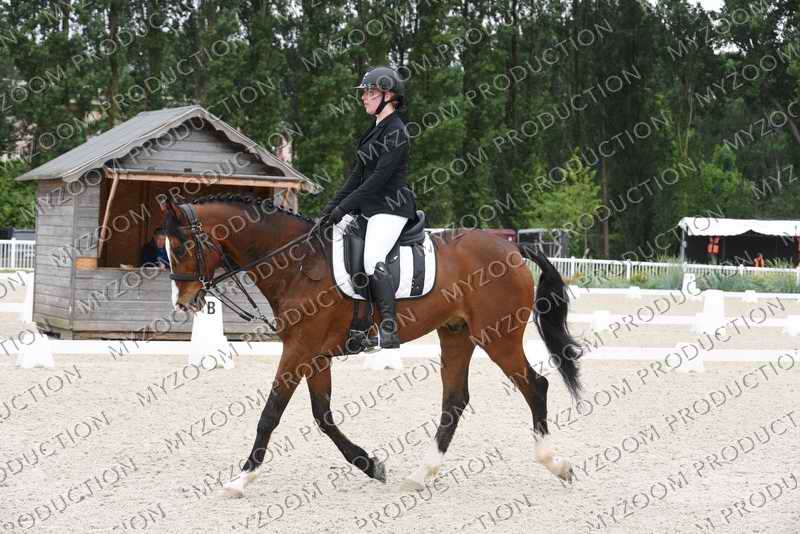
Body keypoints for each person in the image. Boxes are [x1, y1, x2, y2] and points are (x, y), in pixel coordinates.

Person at [319, 66, 417, 349]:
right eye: (364, 92)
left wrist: (344, 209)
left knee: (373, 257)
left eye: (370, 92)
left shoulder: (397, 132)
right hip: (370, 208)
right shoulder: (374, 131)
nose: (363, 97)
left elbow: (377, 180)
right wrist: (330, 210)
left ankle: (388, 328)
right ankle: (356, 324)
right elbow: (356, 177)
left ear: (389, 96)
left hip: (391, 207)